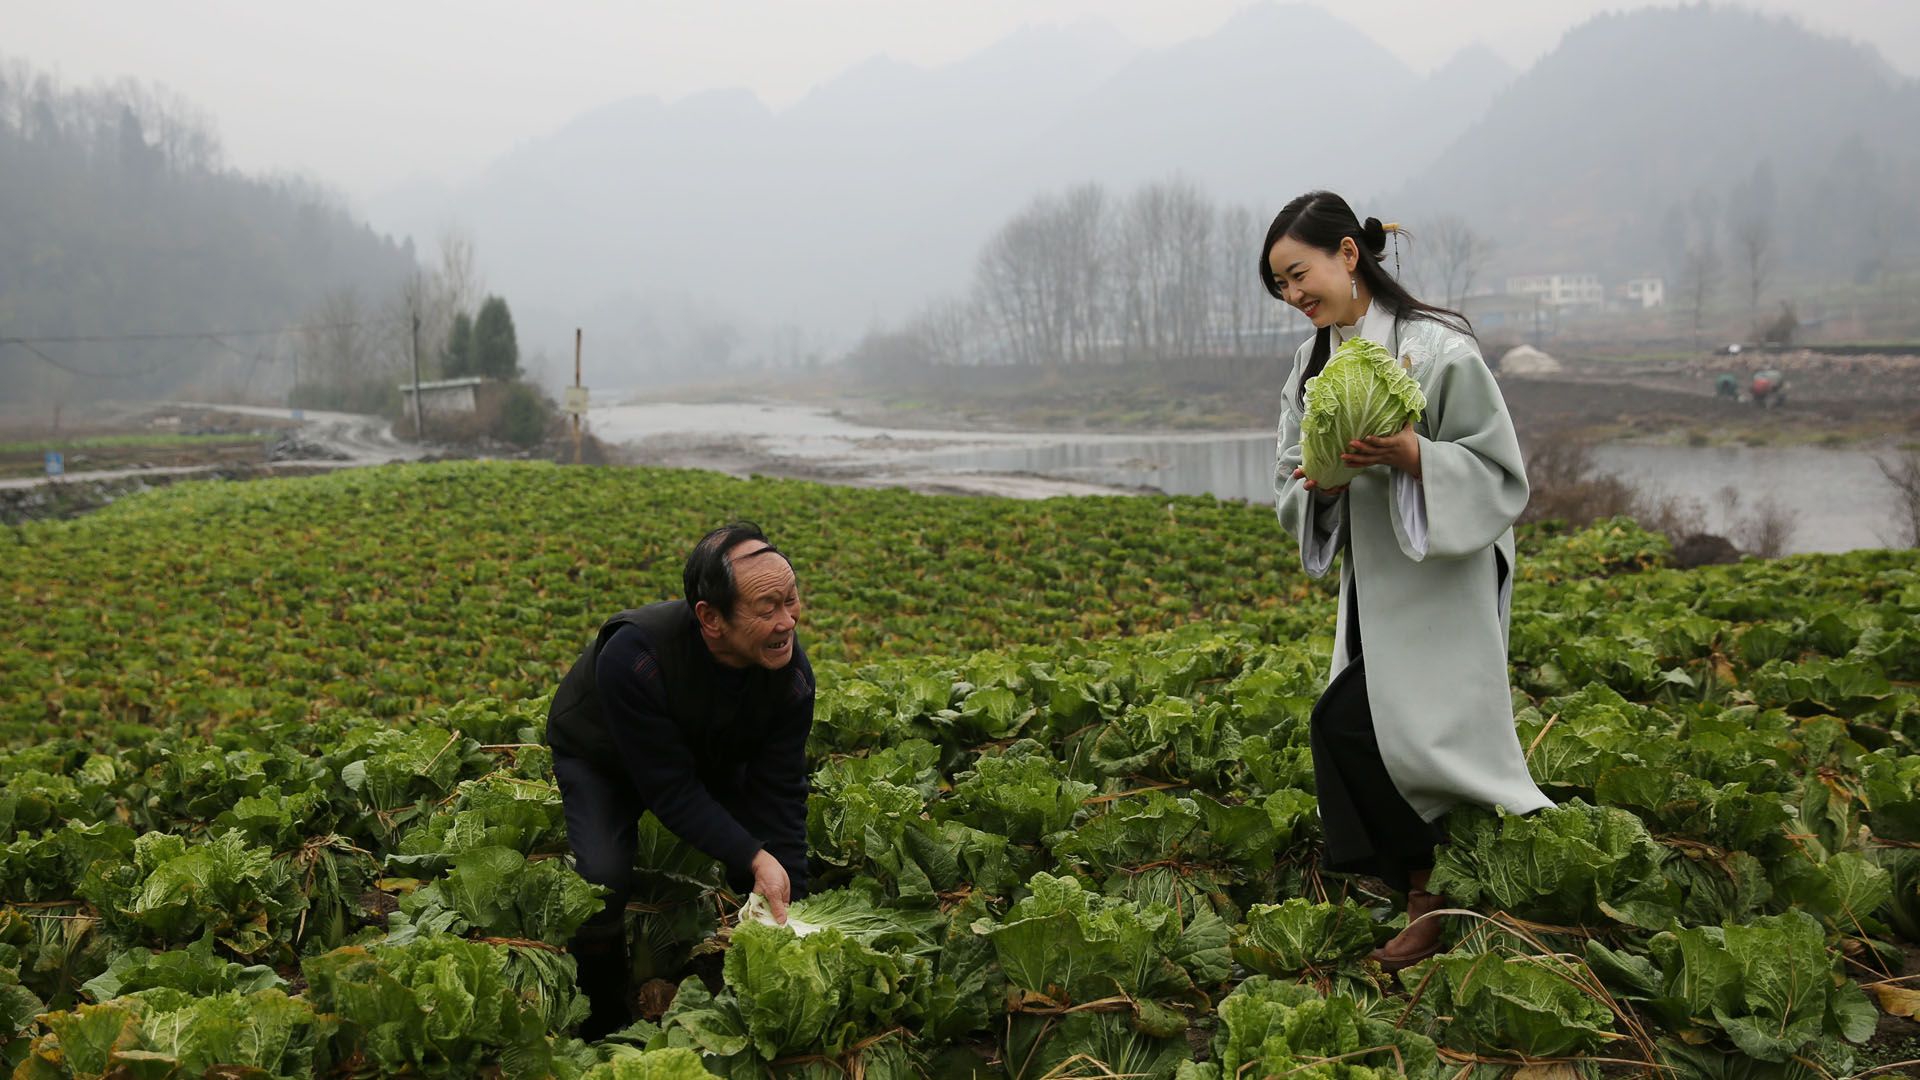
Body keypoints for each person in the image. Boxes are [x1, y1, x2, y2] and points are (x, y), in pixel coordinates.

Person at [1260, 191, 1552, 972]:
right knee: (1362, 726)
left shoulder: (1438, 348)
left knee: (1387, 726)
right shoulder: (1312, 363)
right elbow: (1289, 474)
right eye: (1281, 286)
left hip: (1444, 573)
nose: (1294, 296)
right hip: (1375, 579)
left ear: (1347, 255)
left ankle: (1439, 893)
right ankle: (1434, 887)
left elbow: (1499, 472)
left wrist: (1411, 454)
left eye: (1298, 274)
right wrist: (1316, 486)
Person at [544, 522, 813, 1038]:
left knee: (767, 873)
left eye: (791, 599)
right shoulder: (636, 656)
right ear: (711, 618)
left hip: (708, 747)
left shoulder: (790, 678)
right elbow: (668, 788)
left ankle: (745, 1001)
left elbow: (781, 791)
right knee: (601, 882)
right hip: (603, 756)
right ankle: (602, 1018)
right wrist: (755, 855)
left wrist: (789, 908)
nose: (787, 622)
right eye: (767, 608)